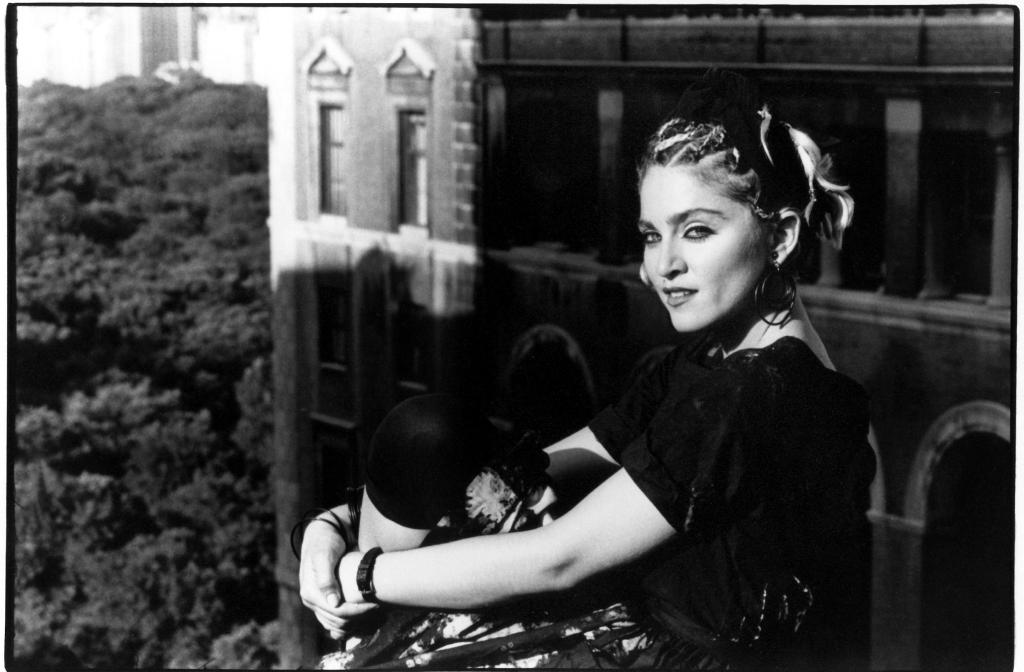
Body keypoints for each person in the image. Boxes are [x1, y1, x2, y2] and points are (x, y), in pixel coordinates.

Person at [297, 68, 875, 670]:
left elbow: (560, 559)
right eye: (651, 236)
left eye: (697, 231)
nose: (663, 266)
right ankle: (361, 635)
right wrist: (331, 526)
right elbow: (531, 472)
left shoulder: (761, 390)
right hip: (626, 627)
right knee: (428, 434)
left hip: (669, 657)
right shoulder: (711, 361)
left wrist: (363, 576)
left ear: (780, 238)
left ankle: (359, 638)